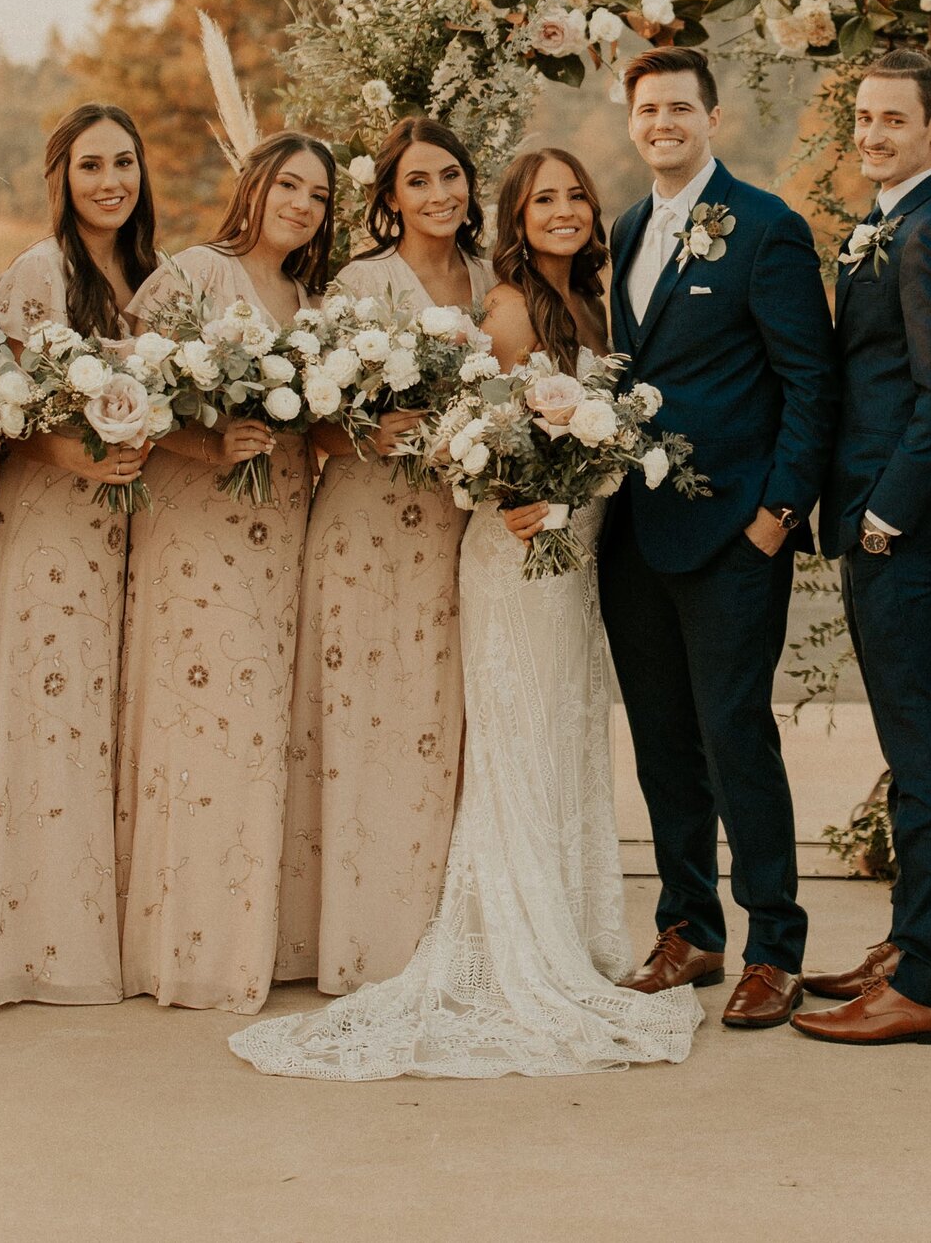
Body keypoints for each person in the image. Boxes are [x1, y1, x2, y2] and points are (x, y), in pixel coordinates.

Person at [231, 147, 701, 1079]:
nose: (563, 210)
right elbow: (492, 426)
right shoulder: (509, 306)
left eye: (576, 195)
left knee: (561, 725)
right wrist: (534, 488)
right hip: (520, 545)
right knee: (517, 735)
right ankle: (516, 937)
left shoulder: (582, 300)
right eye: (543, 199)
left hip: (573, 551)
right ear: (516, 215)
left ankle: (561, 919)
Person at [599, 46, 836, 1032]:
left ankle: (774, 946)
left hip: (735, 534)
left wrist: (777, 515)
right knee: (661, 746)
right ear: (631, 121)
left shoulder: (765, 229)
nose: (663, 123)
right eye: (647, 109)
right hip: (633, 536)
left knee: (737, 738)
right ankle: (689, 927)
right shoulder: (621, 230)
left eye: (679, 108)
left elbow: (810, 381)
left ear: (712, 117)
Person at [794, 48, 931, 1047]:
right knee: (905, 747)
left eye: (891, 120)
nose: (871, 134)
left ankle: (927, 978)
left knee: (921, 752)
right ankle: (907, 948)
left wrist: (883, 515)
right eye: (862, 118)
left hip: (894, 529)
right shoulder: (885, 223)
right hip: (867, 522)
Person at [118, 132, 333, 1012]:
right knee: (203, 714)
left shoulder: (313, 300)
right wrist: (208, 444)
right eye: (288, 184)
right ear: (254, 185)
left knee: (259, 725)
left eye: (319, 195)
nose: (302, 204)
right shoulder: (190, 276)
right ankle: (186, 951)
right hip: (197, 524)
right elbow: (123, 402)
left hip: (282, 519)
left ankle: (252, 937)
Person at [298, 116, 493, 994]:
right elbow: (315, 428)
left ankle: (440, 928)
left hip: (458, 530)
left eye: (450, 175)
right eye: (417, 182)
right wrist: (376, 430)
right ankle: (360, 937)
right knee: (363, 724)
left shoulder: (494, 279)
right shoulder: (359, 284)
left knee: (440, 723)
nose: (439, 194)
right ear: (389, 198)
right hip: (366, 527)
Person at [0, 105, 155, 1007]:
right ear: (62, 180)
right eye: (90, 166)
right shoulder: (41, 273)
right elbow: (4, 409)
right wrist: (72, 454)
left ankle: (99, 924)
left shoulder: (152, 275)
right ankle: (33, 943)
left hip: (128, 530)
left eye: (123, 162)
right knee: (48, 719)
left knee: (101, 726)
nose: (109, 181)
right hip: (49, 524)